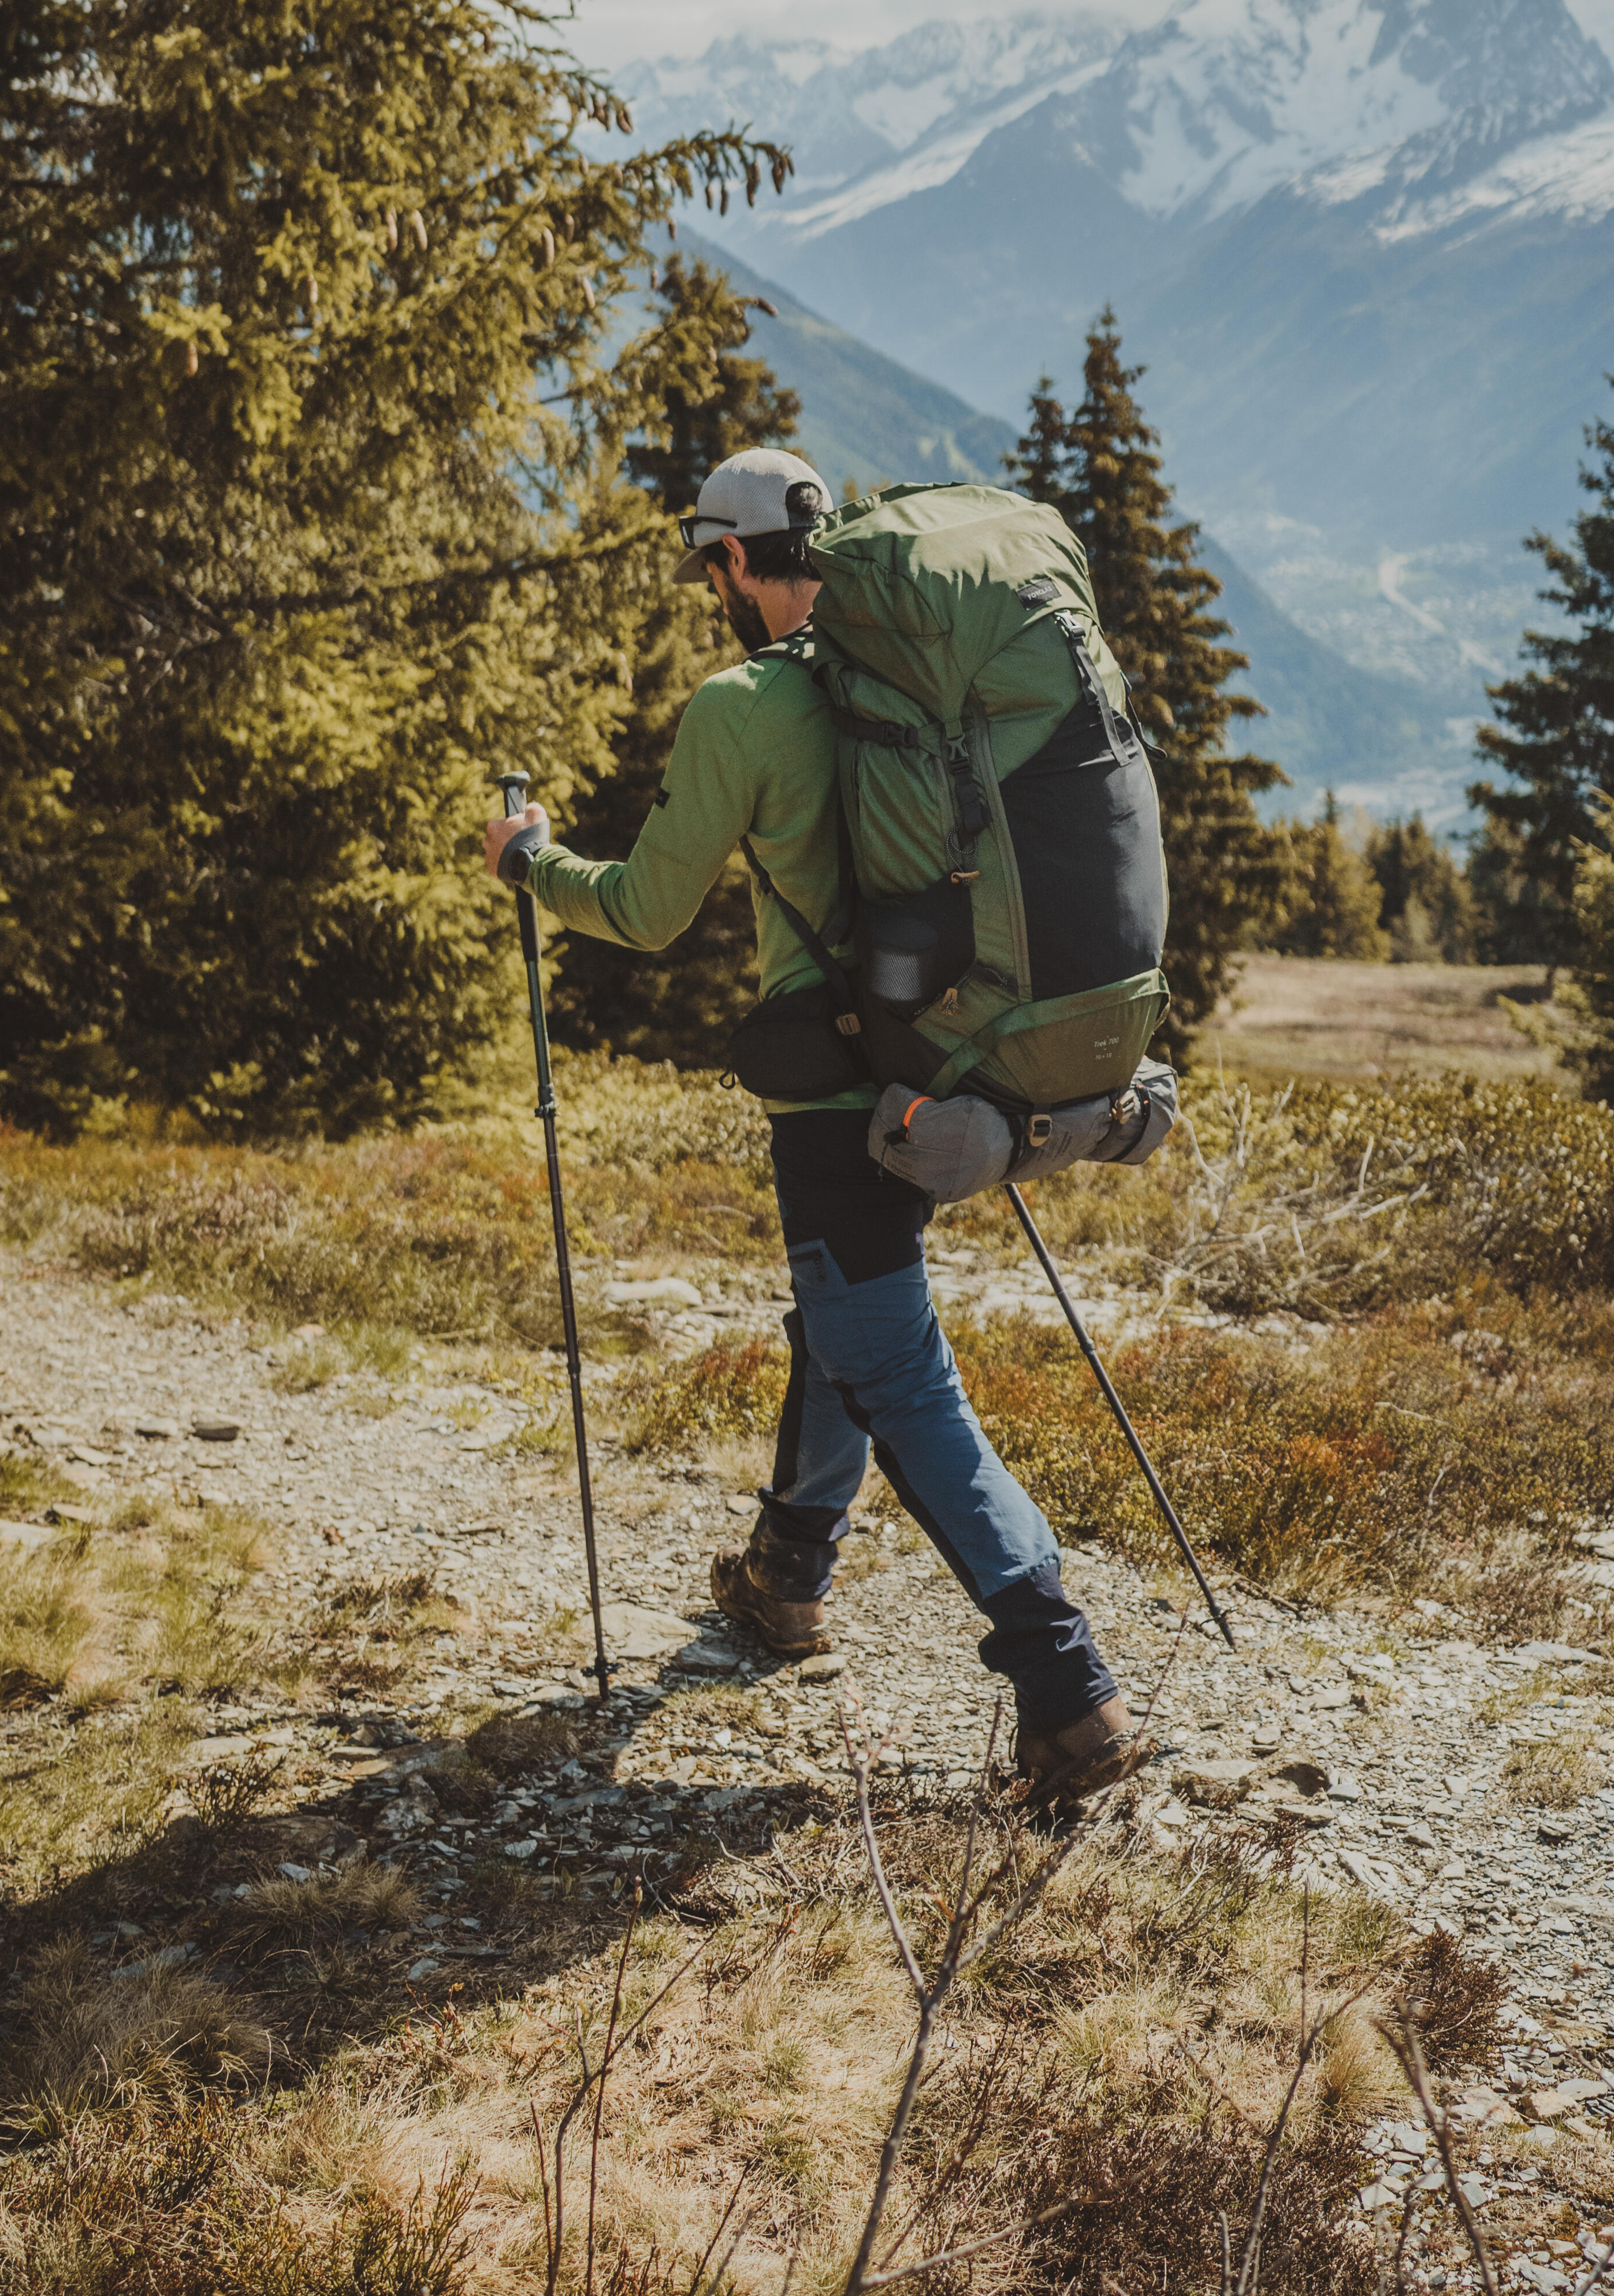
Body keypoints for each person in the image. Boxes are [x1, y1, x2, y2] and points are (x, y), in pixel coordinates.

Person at [482, 445, 1142, 1808]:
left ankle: (1067, 1686)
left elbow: (646, 910)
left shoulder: (743, 707)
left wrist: (532, 864)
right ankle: (787, 1576)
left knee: (892, 1369)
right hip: (952, 1061)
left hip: (838, 1100)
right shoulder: (912, 677)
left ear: (731, 560)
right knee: (838, 1321)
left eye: (708, 568)